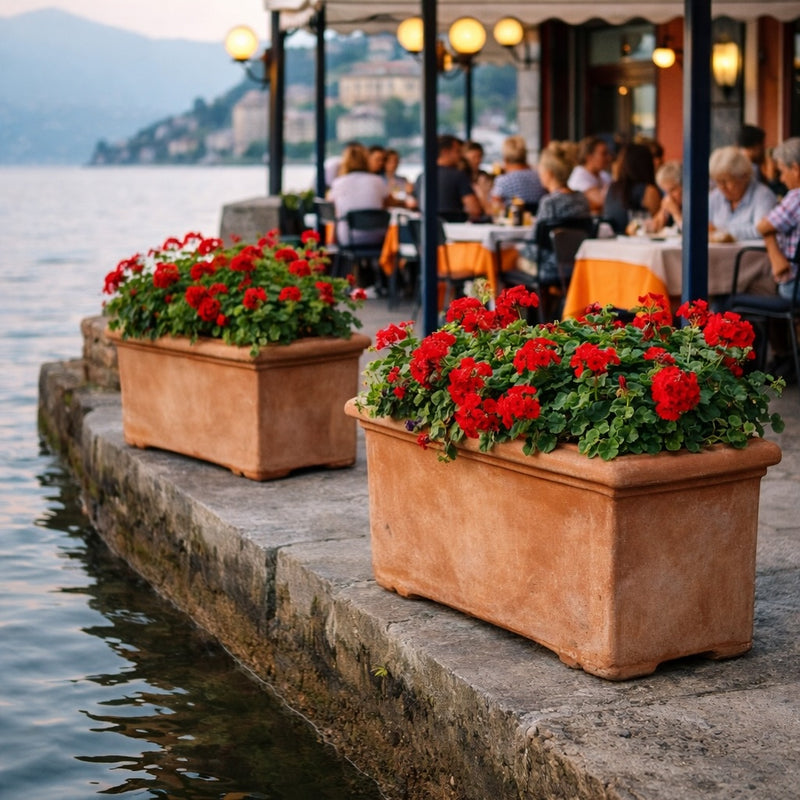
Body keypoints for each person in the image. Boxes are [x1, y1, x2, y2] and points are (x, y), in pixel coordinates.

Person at [756, 137, 800, 300]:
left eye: (781, 171)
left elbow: (763, 226)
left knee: (730, 295)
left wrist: (769, 239)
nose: (781, 179)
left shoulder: (796, 196)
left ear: (795, 169)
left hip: (794, 287)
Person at [709, 145, 776, 242]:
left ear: (744, 176)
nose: (722, 187)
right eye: (718, 181)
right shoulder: (715, 196)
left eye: (726, 181)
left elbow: (762, 231)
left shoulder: (763, 196)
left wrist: (722, 231)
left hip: (751, 256)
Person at [409, 134, 483, 221]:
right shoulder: (458, 176)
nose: (460, 156)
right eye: (457, 151)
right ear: (445, 152)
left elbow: (412, 204)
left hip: (427, 230)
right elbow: (475, 210)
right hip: (453, 231)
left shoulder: (421, 177)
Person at [328, 143, 389, 245]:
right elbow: (388, 203)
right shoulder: (378, 181)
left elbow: (330, 204)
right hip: (378, 236)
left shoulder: (338, 182)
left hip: (348, 238)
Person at [602, 143, 662, 234]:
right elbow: (657, 222)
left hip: (613, 240)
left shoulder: (611, 187)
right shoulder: (648, 190)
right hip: (638, 241)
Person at [489, 135, 547, 216]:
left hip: (512, 224)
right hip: (537, 222)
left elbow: (495, 208)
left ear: (505, 158)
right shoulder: (540, 176)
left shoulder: (503, 180)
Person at [567, 136, 613, 214]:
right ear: (589, 157)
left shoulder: (603, 175)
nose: (609, 157)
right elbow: (603, 201)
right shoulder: (579, 176)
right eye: (604, 154)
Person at [461, 140, 493, 215]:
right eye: (473, 157)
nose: (477, 160)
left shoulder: (484, 176)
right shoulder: (461, 177)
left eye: (480, 156)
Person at [652, 160, 683, 231]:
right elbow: (656, 227)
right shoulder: (669, 201)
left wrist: (676, 213)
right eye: (666, 191)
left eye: (672, 190)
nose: (669, 196)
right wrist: (663, 212)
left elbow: (692, 233)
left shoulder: (695, 204)